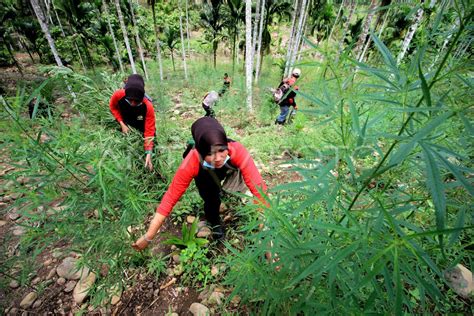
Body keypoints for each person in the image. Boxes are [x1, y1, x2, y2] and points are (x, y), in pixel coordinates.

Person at [132, 117, 268, 250]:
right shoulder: (191, 162)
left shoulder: (236, 150)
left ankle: (229, 194)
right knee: (211, 199)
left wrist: (267, 233)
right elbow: (170, 198)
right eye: (211, 153)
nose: (218, 157)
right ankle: (214, 223)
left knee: (236, 186)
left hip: (228, 168)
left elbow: (259, 189)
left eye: (222, 150)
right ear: (202, 152)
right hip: (204, 173)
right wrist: (149, 236)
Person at [109, 74, 156, 171]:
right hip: (127, 127)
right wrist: (122, 124)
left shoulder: (148, 106)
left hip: (143, 127)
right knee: (130, 154)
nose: (133, 104)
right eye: (130, 100)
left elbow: (149, 131)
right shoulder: (118, 95)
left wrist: (148, 153)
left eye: (136, 101)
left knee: (152, 154)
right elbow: (113, 108)